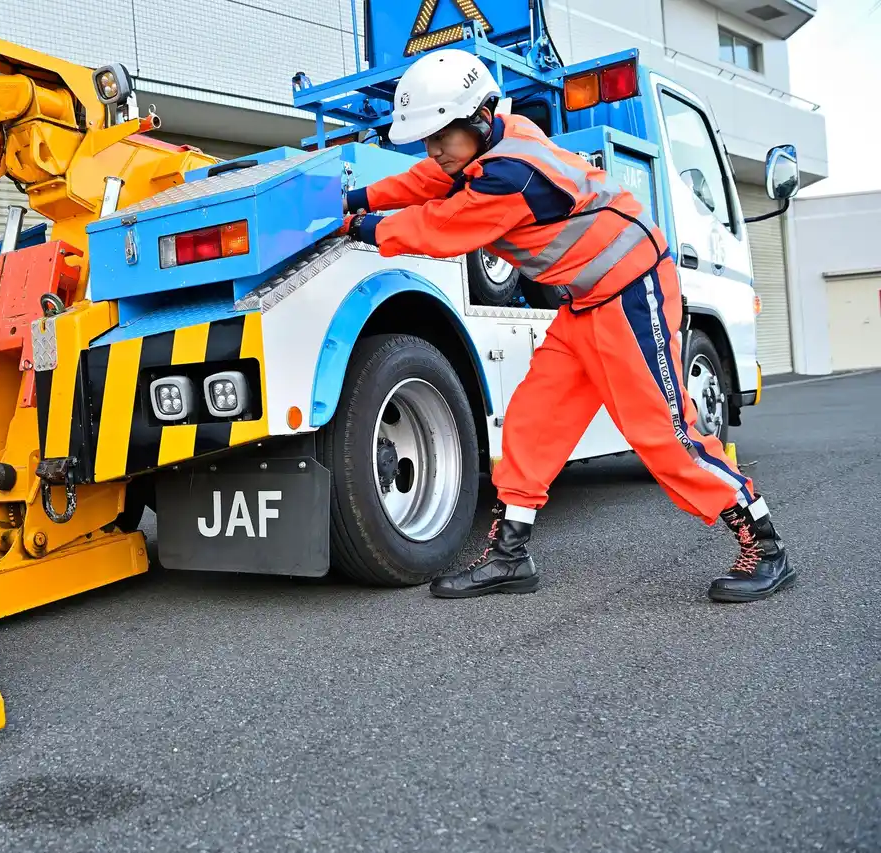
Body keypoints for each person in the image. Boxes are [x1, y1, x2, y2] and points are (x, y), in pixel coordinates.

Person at [338, 48, 794, 604]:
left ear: (479, 120)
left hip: (630, 293)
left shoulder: (509, 177)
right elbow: (428, 181)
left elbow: (437, 226)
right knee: (531, 424)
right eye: (427, 138)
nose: (434, 151)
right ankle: (510, 555)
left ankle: (764, 545)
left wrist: (363, 227)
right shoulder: (503, 135)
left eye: (441, 136)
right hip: (583, 305)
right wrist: (359, 196)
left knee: (665, 436)